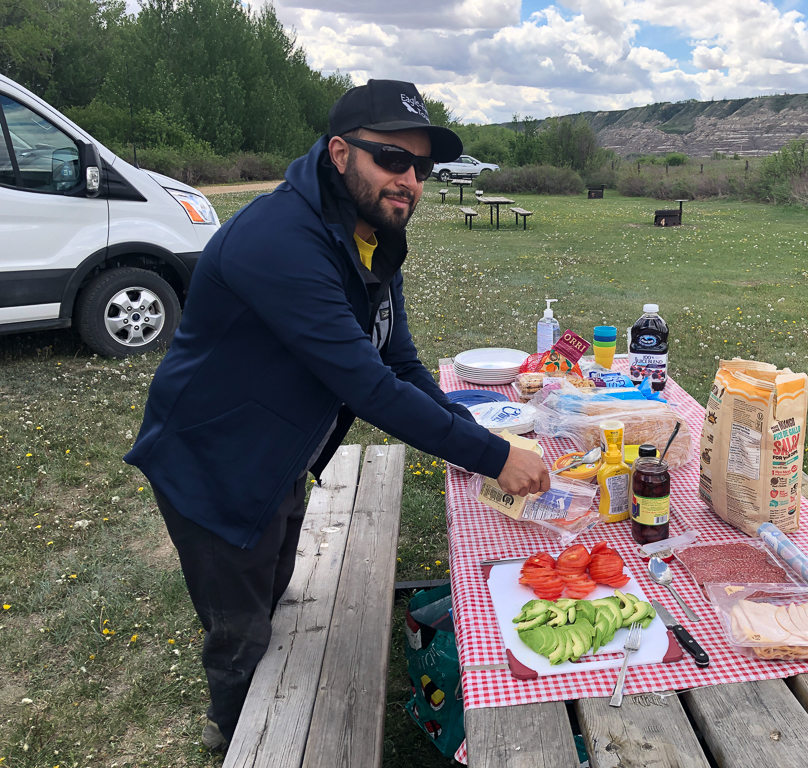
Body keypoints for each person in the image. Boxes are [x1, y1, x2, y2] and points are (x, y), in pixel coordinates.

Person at [124, 79, 549, 753]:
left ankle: (258, 706)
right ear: (340, 152)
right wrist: (495, 458)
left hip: (281, 455)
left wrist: (475, 437)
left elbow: (400, 365)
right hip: (215, 467)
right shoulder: (280, 239)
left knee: (275, 589)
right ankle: (235, 733)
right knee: (242, 629)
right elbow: (368, 387)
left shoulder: (373, 236)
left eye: (421, 167)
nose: (408, 179)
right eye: (391, 158)